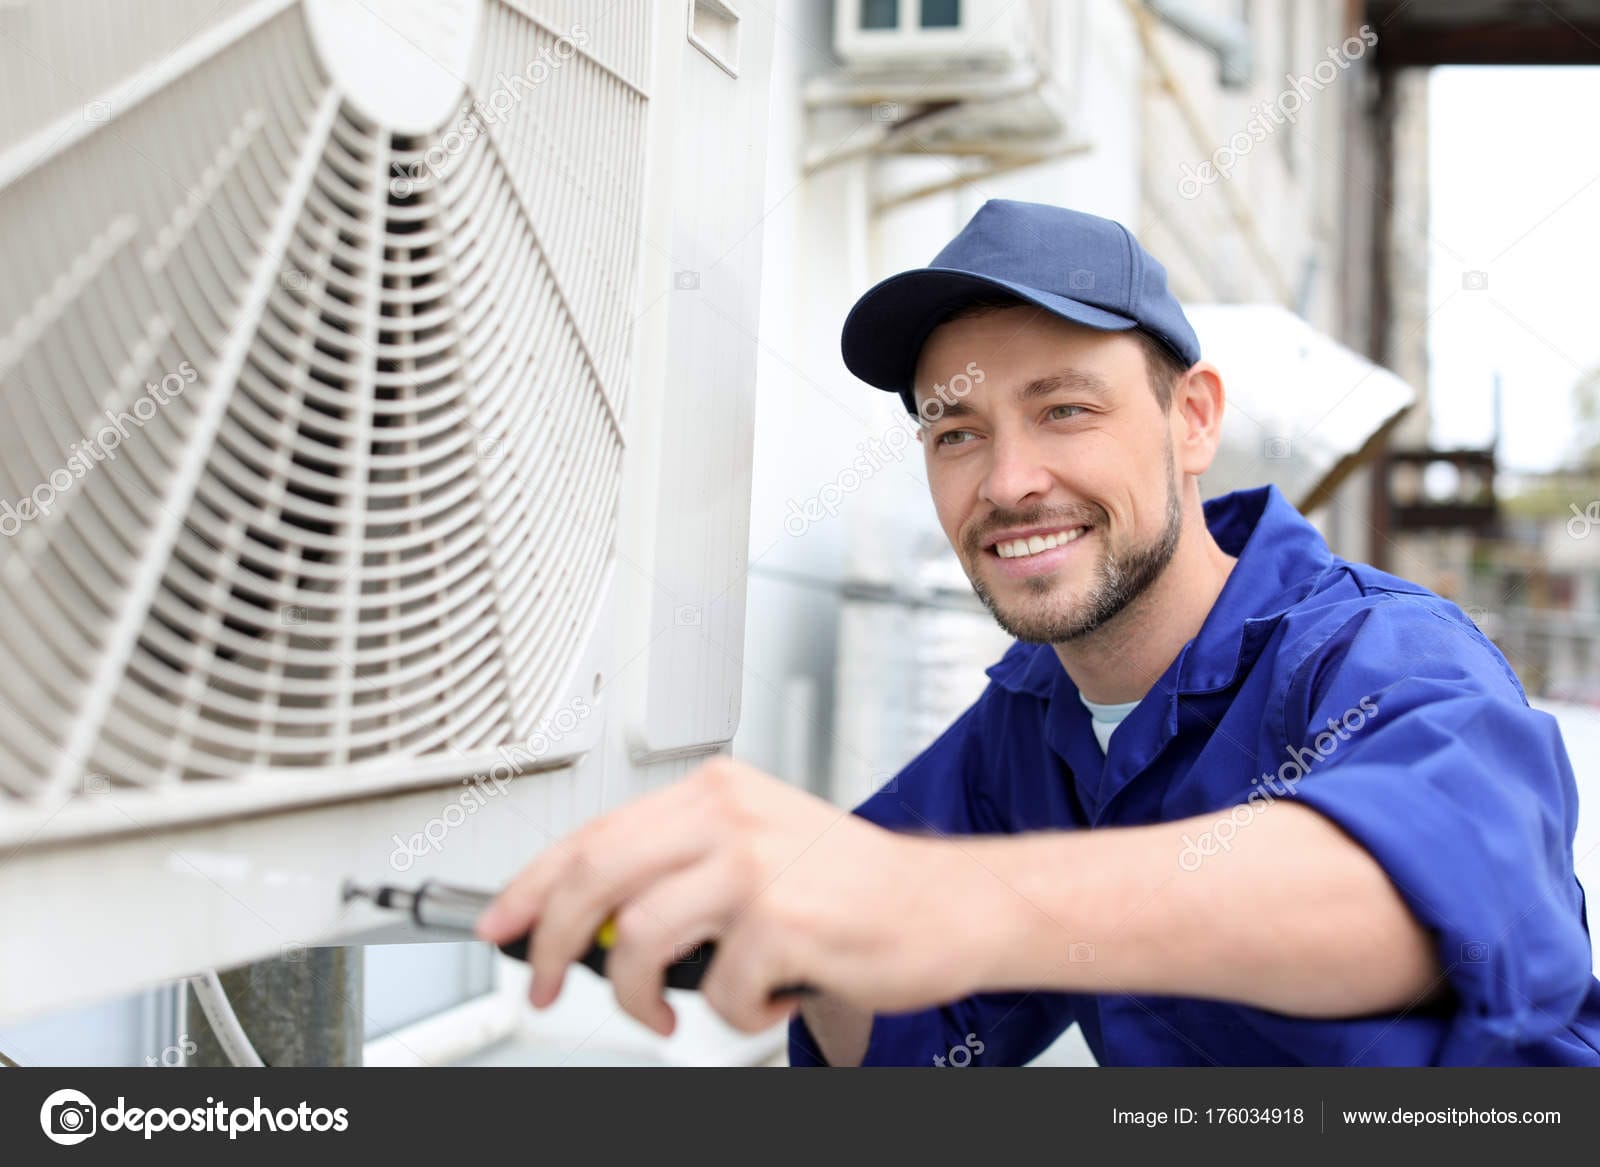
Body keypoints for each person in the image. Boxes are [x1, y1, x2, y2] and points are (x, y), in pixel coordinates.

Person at [476, 199, 1600, 1066]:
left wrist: (927, 900)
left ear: (1192, 418)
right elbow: (905, 1051)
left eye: (1065, 409)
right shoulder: (1027, 723)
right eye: (955, 432)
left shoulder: (1379, 654)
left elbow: (1416, 899)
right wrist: (800, 941)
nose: (1009, 482)